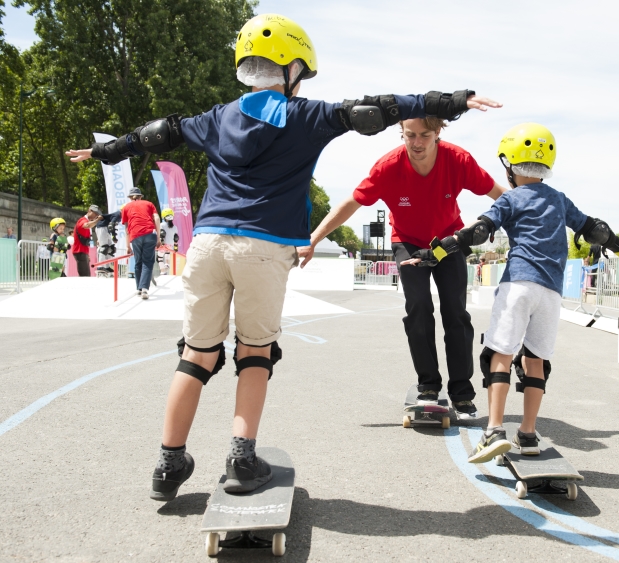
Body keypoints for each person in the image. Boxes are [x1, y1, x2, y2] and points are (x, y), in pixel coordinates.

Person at [66, 12, 499, 502]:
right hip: (262, 248)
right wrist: (452, 101)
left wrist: (106, 152)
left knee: (196, 353)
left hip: (206, 246)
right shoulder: (305, 116)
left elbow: (157, 134)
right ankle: (241, 459)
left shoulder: (216, 118)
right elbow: (381, 108)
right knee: (255, 352)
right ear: (291, 69)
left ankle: (168, 463)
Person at [401, 123, 619, 462]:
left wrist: (435, 254)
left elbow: (474, 232)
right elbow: (597, 230)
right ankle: (528, 434)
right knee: (536, 362)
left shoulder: (511, 199)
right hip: (551, 293)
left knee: (499, 356)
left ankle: (494, 431)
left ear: (510, 165)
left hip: (518, 284)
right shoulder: (560, 200)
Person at [304, 116, 507, 418]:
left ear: (438, 132)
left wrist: (528, 223)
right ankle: (428, 383)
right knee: (419, 306)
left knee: (455, 311)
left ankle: (462, 391)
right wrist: (314, 239)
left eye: (424, 135)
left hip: (448, 240)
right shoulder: (388, 166)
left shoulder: (458, 160)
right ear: (401, 133)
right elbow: (350, 204)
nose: (416, 143)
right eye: (409, 135)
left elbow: (501, 196)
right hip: (408, 243)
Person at [120, 188, 161, 298]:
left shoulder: (126, 208)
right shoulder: (149, 204)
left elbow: (126, 228)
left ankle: (139, 288)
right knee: (147, 262)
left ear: (130, 197)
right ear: (140, 196)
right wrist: (158, 237)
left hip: (135, 236)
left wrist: (127, 245)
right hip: (149, 234)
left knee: (138, 262)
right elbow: (156, 218)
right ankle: (144, 290)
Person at [72, 205, 103, 276]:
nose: (96, 215)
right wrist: (97, 220)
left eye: (97, 214)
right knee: (85, 276)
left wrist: (87, 254)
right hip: (80, 251)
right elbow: (87, 225)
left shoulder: (87, 221)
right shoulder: (83, 220)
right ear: (89, 211)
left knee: (86, 275)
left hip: (83, 251)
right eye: (95, 213)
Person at [95, 209, 122, 276]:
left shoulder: (120, 216)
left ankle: (106, 267)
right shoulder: (118, 214)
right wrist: (114, 236)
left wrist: (114, 237)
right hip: (101, 227)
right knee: (104, 248)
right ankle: (100, 266)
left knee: (111, 249)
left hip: (106, 229)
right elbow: (111, 225)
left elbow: (112, 226)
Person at [158, 208, 179, 274]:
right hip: (171, 246)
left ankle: (162, 271)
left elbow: (162, 234)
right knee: (167, 253)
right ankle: (167, 265)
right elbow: (176, 238)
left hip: (163, 245)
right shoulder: (175, 227)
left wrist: (161, 243)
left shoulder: (162, 225)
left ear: (164, 217)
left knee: (159, 258)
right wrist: (176, 248)